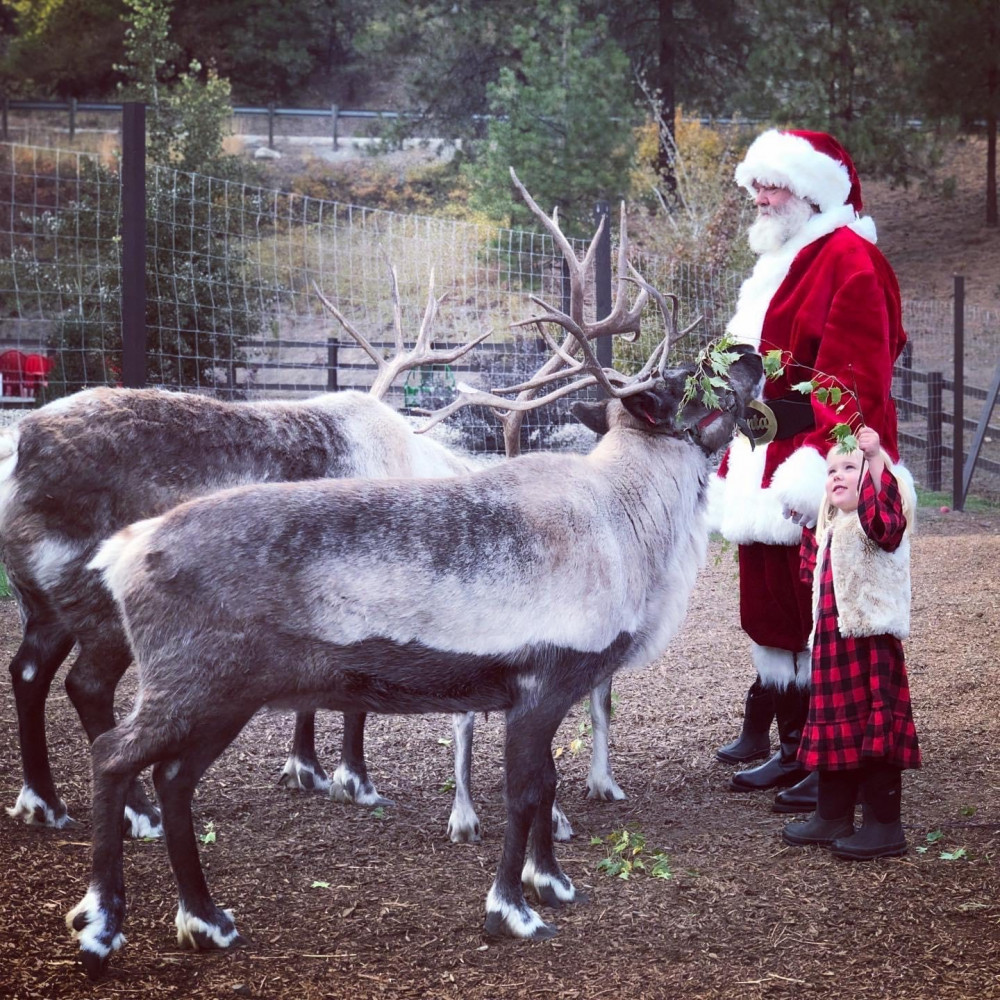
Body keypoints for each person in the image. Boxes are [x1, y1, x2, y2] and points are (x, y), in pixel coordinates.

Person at [708, 129, 908, 812]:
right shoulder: (781, 259)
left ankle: (835, 763)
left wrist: (823, 463)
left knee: (829, 615)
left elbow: (858, 380)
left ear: (815, 190)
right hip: (762, 459)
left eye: (776, 185)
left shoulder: (849, 260)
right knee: (773, 610)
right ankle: (795, 749)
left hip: (817, 463)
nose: (761, 198)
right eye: (757, 185)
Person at [782, 426, 920, 858]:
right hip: (831, 649)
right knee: (835, 730)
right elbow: (810, 571)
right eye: (831, 471)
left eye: (849, 468)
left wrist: (875, 458)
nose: (837, 475)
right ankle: (833, 814)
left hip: (869, 644)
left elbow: (886, 519)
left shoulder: (874, 524)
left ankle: (884, 826)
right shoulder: (836, 527)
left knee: (873, 731)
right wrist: (808, 520)